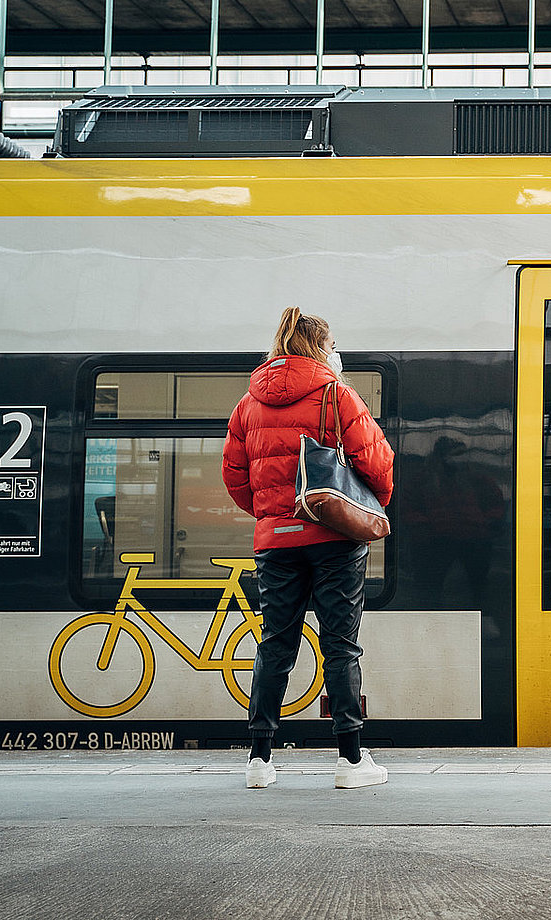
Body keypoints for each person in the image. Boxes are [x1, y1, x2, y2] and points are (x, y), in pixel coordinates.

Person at [222, 307, 395, 789]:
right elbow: (377, 461)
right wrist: (364, 507)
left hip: (275, 544)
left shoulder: (247, 404)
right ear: (320, 347)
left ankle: (259, 761)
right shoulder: (336, 394)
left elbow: (235, 478)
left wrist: (270, 517)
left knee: (276, 643)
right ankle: (351, 762)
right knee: (339, 645)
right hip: (334, 539)